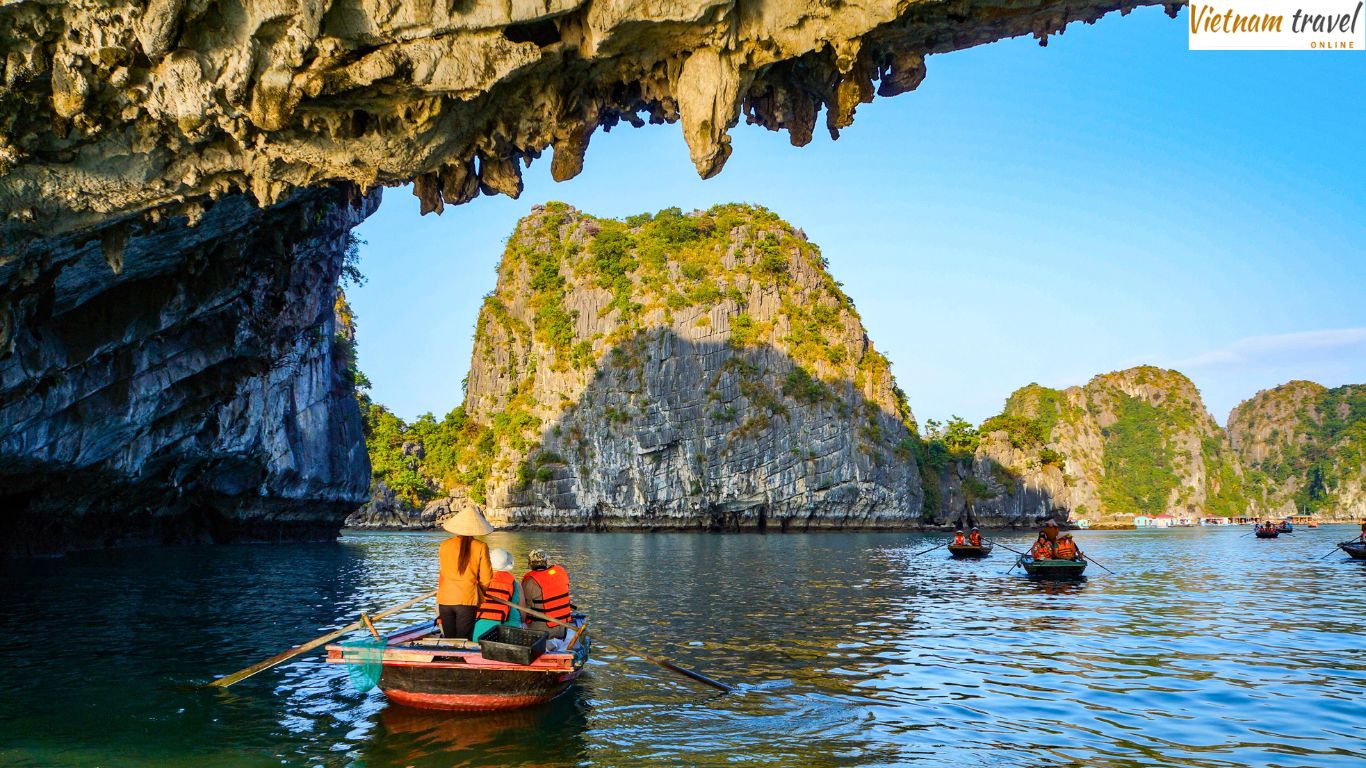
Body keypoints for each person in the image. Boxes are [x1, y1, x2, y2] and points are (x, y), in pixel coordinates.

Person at [436, 507, 495, 640]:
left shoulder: (444, 545)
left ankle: (450, 659)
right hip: (467, 599)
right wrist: (480, 594)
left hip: (445, 599)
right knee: (463, 641)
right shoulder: (480, 546)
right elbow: (487, 578)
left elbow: (442, 574)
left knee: (450, 641)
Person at [471, 548, 524, 642]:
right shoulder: (515, 584)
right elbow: (523, 613)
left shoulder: (479, 581)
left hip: (478, 635)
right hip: (507, 635)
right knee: (525, 625)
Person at [522, 549, 573, 639]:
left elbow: (524, 608)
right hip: (562, 630)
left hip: (541, 633)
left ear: (530, 563)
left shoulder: (530, 581)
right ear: (546, 562)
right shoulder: (560, 574)